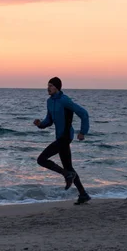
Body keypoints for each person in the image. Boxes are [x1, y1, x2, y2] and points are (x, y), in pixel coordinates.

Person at [33, 77, 91, 205]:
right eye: (48, 85)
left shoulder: (65, 100)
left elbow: (84, 113)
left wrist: (82, 132)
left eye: (51, 86)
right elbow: (49, 120)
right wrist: (40, 124)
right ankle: (83, 194)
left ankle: (66, 174)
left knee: (41, 159)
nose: (48, 88)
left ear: (57, 87)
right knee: (69, 167)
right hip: (59, 137)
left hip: (66, 137)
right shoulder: (49, 102)